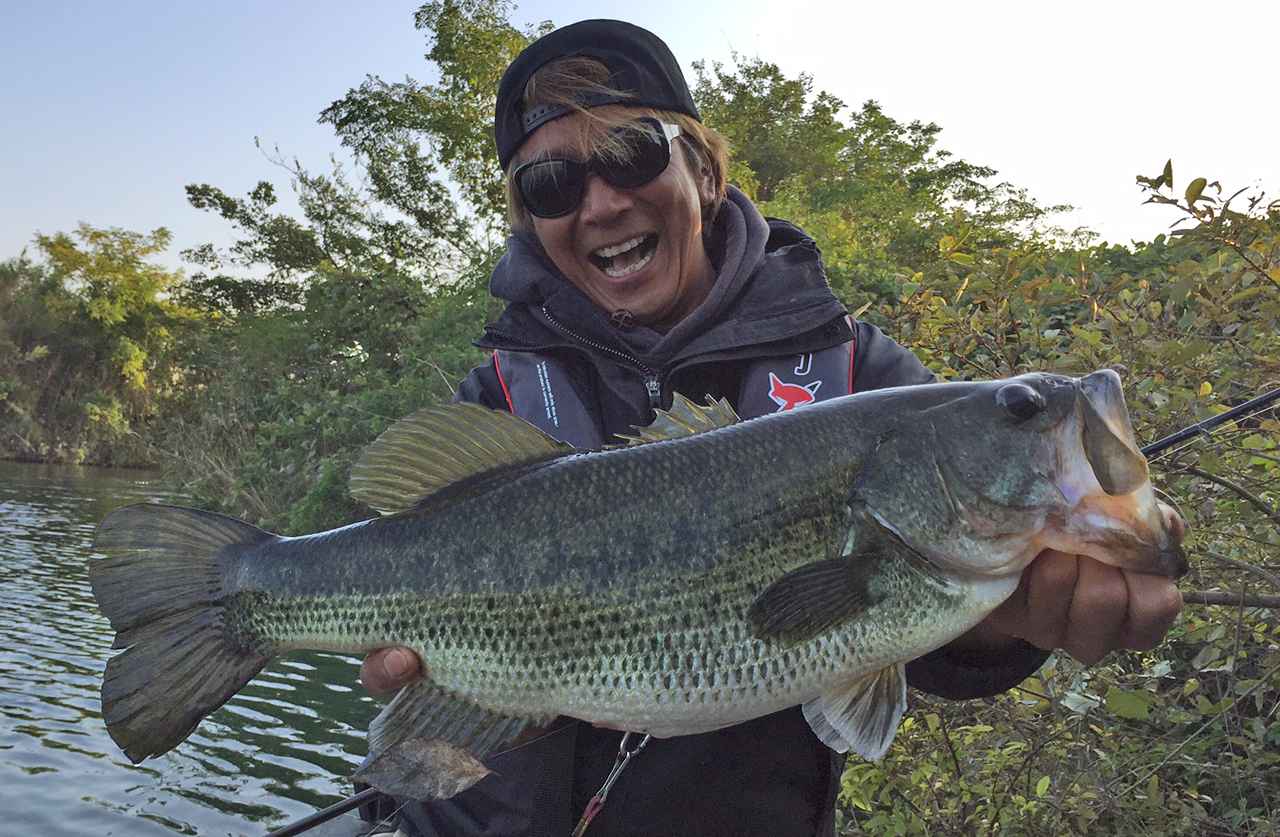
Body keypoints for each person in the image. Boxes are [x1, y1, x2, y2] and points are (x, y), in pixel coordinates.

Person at [358, 19, 1184, 837]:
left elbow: (929, 637)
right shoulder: (494, 397)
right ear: (529, 222)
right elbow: (408, 631)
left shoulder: (862, 377)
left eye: (633, 156)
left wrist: (1010, 620)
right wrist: (433, 696)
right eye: (551, 187)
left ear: (704, 171)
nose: (602, 204)